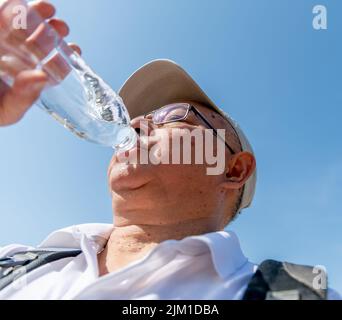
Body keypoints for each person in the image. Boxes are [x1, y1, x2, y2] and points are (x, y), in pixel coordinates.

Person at [0, 1, 340, 300]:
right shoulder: (15, 264)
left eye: (172, 116)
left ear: (234, 170)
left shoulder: (297, 293)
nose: (136, 125)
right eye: (139, 118)